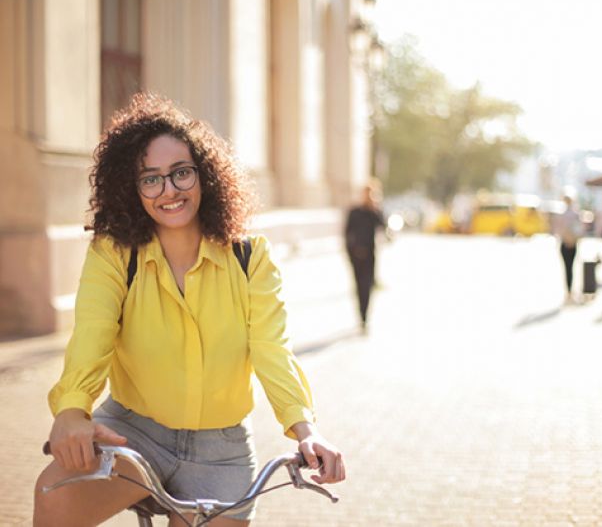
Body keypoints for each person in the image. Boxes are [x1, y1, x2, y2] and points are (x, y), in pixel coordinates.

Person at [33, 92, 345, 526]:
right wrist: (72, 411)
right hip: (131, 431)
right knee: (54, 496)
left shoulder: (249, 256)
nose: (170, 191)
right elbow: (91, 336)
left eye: (181, 173)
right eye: (151, 179)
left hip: (222, 449)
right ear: (132, 188)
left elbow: (272, 350)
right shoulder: (114, 253)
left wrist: (306, 430)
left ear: (205, 176)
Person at [345, 180, 386, 332]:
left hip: (370, 255)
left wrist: (375, 208)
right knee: (358, 286)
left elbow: (383, 226)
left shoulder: (374, 212)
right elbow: (347, 234)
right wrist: (350, 253)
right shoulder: (354, 211)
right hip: (356, 256)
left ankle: (365, 317)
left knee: (368, 286)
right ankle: (361, 315)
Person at [555, 195, 583, 303]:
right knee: (571, 267)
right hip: (572, 243)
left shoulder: (563, 214)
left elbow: (558, 230)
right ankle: (570, 291)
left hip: (565, 243)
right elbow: (579, 229)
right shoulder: (575, 214)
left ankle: (569, 291)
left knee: (567, 268)